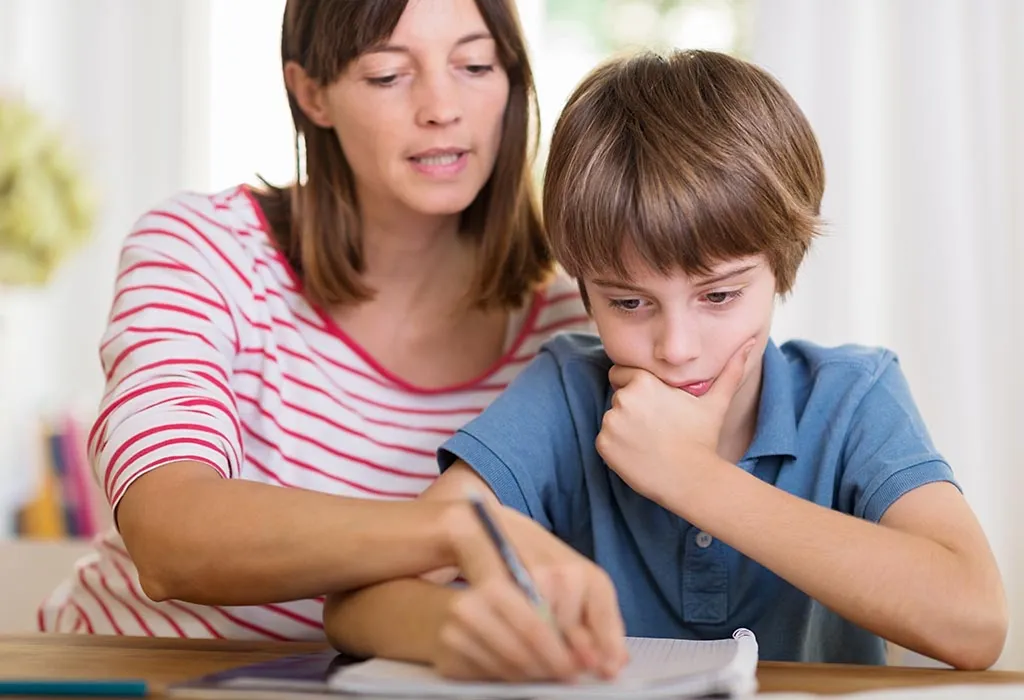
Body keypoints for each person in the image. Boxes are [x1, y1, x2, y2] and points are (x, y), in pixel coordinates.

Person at [323, 49, 1009, 678]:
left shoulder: (853, 396)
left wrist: (694, 478)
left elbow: (975, 622)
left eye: (719, 295)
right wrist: (454, 627)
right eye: (629, 302)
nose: (677, 347)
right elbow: (358, 601)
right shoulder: (565, 392)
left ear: (782, 265)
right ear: (583, 290)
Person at [37, 0, 595, 639]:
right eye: (388, 74)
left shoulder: (572, 327)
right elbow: (169, 538)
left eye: (474, 64)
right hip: (130, 673)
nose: (442, 106)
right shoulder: (203, 249)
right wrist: (455, 528)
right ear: (312, 94)